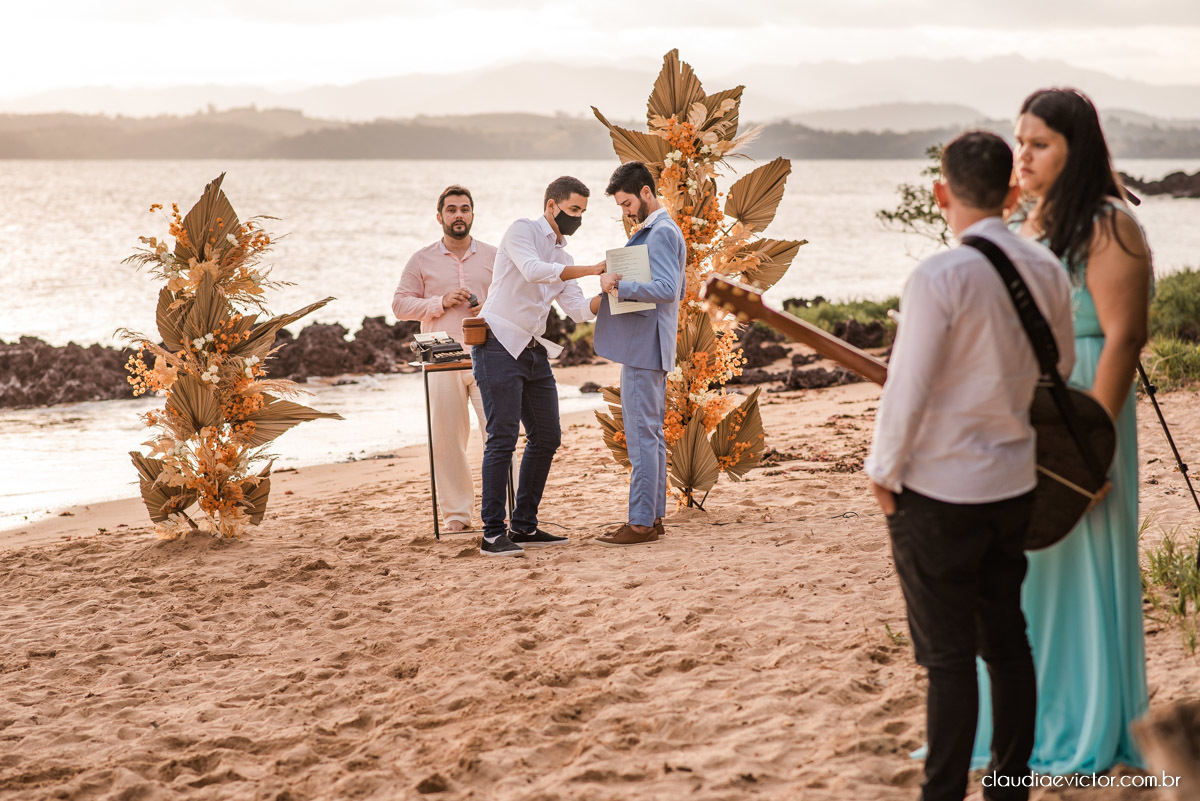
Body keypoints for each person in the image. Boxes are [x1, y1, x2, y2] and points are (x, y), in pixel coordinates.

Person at [865, 131, 1075, 801]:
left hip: (938, 491)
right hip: (1013, 484)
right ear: (1013, 194)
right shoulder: (1046, 269)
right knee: (1008, 642)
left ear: (940, 192)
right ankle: (1009, 788)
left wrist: (882, 473)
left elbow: (908, 385)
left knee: (949, 658)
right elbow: (1061, 369)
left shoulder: (940, 275)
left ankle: (943, 792)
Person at [971, 88, 1153, 775]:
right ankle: (1027, 721)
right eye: (1020, 142)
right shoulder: (1034, 223)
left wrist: (1091, 446)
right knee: (1026, 568)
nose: (1024, 155)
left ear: (1077, 150)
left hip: (1085, 414)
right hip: (1030, 412)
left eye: (1040, 143)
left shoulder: (1108, 225)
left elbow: (1124, 337)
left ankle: (1086, 719)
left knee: (1078, 559)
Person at [472, 176, 606, 557]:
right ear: (552, 206)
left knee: (547, 437)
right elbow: (532, 270)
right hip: (498, 344)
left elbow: (579, 311)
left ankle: (525, 526)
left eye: (582, 212)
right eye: (573, 210)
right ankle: (493, 533)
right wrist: (593, 268)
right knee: (502, 438)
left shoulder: (564, 259)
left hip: (533, 352)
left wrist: (609, 291)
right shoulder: (521, 231)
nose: (577, 218)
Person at [393, 185, 496, 533]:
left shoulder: (495, 256)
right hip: (440, 361)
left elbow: (513, 300)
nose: (458, 215)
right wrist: (439, 302)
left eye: (465, 209)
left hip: (489, 358)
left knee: (500, 436)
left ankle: (506, 508)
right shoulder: (421, 259)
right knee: (447, 441)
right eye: (451, 210)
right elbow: (400, 305)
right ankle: (456, 515)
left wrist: (490, 307)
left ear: (472, 214)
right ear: (439, 217)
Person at [592, 162, 686, 546]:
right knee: (651, 435)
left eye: (627, 202)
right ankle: (654, 517)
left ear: (647, 192)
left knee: (641, 436)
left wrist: (618, 284)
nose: (626, 212)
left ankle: (641, 523)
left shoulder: (660, 231)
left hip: (644, 348)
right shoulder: (662, 230)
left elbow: (667, 288)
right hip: (651, 345)